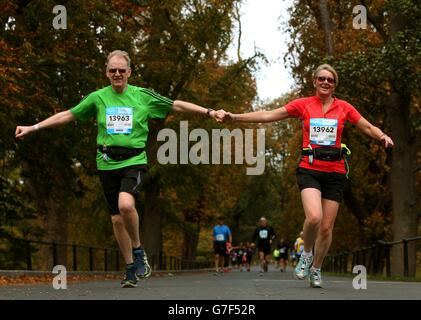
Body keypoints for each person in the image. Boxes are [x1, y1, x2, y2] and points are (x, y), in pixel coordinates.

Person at [15, 50, 222, 288]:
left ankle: (137, 250)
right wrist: (34, 127)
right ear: (106, 73)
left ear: (129, 73)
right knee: (116, 219)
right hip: (106, 163)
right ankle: (130, 268)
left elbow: (176, 105)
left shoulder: (142, 96)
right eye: (112, 70)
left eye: (121, 70)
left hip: (133, 161)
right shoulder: (97, 98)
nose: (117, 74)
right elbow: (68, 115)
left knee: (126, 205)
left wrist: (208, 111)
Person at [217, 64, 394, 288]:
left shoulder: (344, 108)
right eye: (321, 78)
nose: (326, 82)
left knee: (327, 228)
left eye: (330, 80)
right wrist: (235, 117)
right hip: (310, 169)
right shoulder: (304, 105)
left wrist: (382, 135)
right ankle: (307, 255)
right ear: (314, 81)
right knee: (313, 217)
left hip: (335, 172)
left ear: (335, 84)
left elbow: (366, 126)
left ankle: (316, 269)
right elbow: (270, 114)